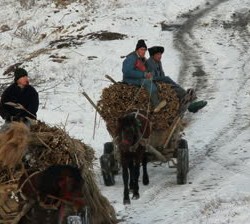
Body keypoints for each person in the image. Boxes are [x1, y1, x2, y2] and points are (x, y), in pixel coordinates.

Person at [146, 46, 207, 113]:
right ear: (152, 55)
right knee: (170, 82)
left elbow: (162, 74)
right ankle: (188, 101)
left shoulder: (158, 62)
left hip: (161, 83)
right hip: (155, 84)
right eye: (158, 54)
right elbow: (152, 78)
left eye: (160, 54)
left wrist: (164, 79)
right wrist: (164, 79)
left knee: (175, 86)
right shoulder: (149, 63)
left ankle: (192, 102)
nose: (160, 56)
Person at [122, 40, 166, 113]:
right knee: (148, 82)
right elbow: (127, 72)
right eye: (142, 49)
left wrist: (148, 74)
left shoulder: (140, 59)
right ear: (137, 50)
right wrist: (143, 75)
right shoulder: (131, 58)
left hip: (137, 79)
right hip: (130, 80)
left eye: (145, 50)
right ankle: (156, 104)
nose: (144, 52)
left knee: (152, 80)